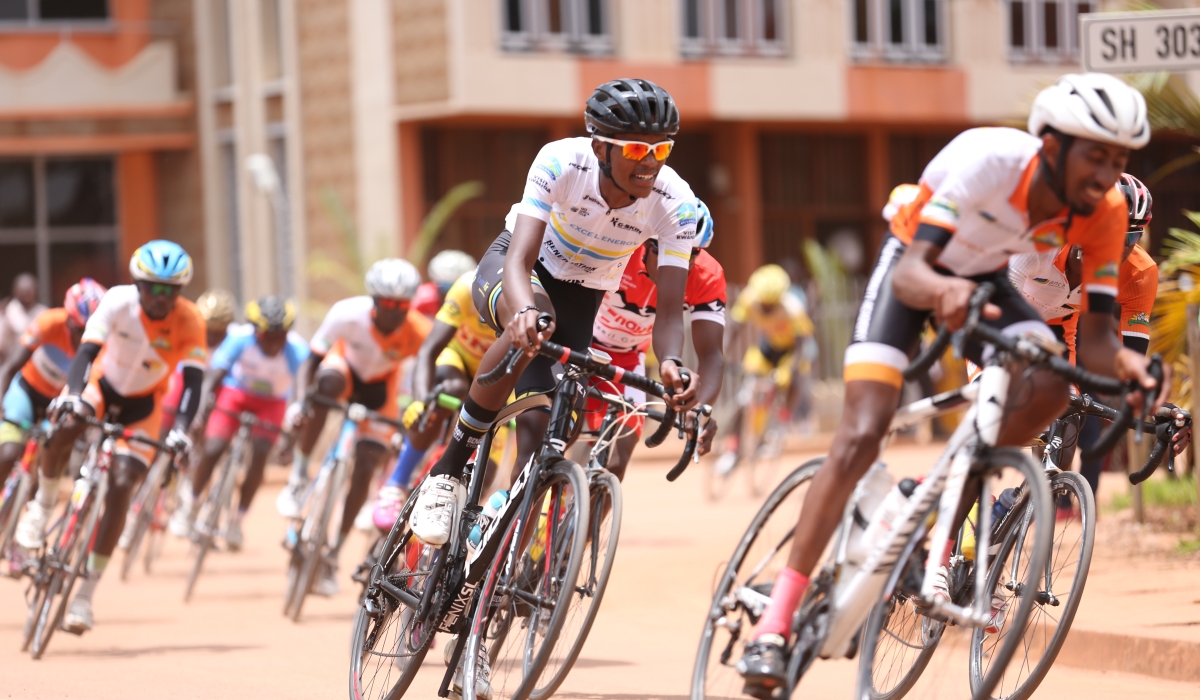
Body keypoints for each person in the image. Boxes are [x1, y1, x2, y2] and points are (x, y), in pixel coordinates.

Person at [737, 73, 1166, 694]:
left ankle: (930, 496)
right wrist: (945, 292)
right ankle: (774, 621)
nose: (1107, 172)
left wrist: (1133, 370)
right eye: (1095, 154)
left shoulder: (1106, 214)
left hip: (987, 278)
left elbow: (1099, 340)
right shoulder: (989, 160)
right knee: (860, 435)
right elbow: (916, 271)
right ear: (1050, 145)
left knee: (1048, 388)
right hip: (917, 263)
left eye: (1120, 159)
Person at [402, 78, 702, 699]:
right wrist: (522, 312)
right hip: (521, 269)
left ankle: (488, 581)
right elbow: (519, 259)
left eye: (662, 151)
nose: (650, 165)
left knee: (545, 440)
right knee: (526, 334)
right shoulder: (561, 161)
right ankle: (449, 473)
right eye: (637, 151)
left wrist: (672, 364)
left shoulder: (673, 202)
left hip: (582, 298)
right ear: (601, 146)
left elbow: (671, 316)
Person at [15, 241, 206, 633]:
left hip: (143, 407)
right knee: (68, 424)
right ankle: (43, 505)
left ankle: (85, 595)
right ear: (138, 284)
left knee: (122, 486)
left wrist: (182, 430)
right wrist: (71, 395)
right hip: (102, 386)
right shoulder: (117, 302)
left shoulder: (190, 321)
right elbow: (85, 354)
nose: (161, 297)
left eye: (170, 290)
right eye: (153, 287)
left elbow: (193, 384)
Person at [1009, 173, 1188, 496]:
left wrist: (1155, 403)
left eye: (1128, 238)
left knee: (1067, 428)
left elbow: (1131, 358)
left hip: (1060, 330)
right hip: (1004, 321)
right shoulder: (1040, 244)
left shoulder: (1139, 273)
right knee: (996, 412)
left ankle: (1013, 508)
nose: (1114, 247)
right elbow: (995, 304)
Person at [276, 258, 429, 596]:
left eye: (402, 305)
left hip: (381, 390)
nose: (394, 311)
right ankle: (300, 477)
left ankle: (332, 552)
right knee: (325, 386)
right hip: (343, 372)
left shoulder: (419, 331)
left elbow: (423, 379)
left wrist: (413, 413)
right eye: (387, 303)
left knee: (364, 467)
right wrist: (299, 403)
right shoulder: (347, 313)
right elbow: (310, 363)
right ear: (373, 300)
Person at [584, 198, 726, 480]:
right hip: (582, 342)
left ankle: (586, 517)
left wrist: (700, 408)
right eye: (664, 252)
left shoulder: (708, 277)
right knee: (562, 428)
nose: (676, 264)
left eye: (689, 255)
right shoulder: (620, 250)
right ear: (646, 243)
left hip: (628, 358)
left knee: (616, 460)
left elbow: (711, 355)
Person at [169, 296, 308, 549]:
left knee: (261, 454)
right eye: (267, 337)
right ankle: (191, 504)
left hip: (272, 402)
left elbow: (301, 390)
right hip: (236, 394)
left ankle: (237, 521)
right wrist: (201, 413)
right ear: (256, 332)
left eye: (280, 337)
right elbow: (214, 377)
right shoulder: (239, 340)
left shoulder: (297, 350)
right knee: (213, 447)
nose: (274, 343)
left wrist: (293, 428)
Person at [370, 264, 500, 530]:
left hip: (498, 376)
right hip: (458, 361)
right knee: (450, 390)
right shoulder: (466, 287)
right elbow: (429, 350)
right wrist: (420, 401)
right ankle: (396, 484)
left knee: (486, 470)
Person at [0, 279, 107, 487]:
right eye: (78, 330)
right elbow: (10, 367)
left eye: (90, 332)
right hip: (26, 392)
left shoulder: (102, 345)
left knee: (44, 471)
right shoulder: (48, 322)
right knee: (8, 454)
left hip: (59, 403)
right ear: (68, 319)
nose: (83, 338)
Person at [714, 263, 814, 474]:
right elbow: (734, 329)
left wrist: (787, 371)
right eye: (763, 305)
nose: (766, 309)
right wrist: (719, 357)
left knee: (794, 378)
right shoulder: (749, 299)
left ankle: (782, 423)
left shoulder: (793, 308)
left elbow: (801, 346)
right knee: (744, 399)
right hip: (766, 348)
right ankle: (733, 450)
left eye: (771, 305)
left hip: (791, 352)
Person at [160, 288, 237, 435]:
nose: (212, 337)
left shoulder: (235, 338)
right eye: (208, 330)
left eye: (219, 331)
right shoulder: (190, 328)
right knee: (167, 412)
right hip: (187, 377)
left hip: (217, 384)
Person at [412, 250, 478, 319]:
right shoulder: (421, 298)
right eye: (445, 287)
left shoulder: (476, 302)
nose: (451, 293)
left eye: (458, 288)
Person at [0, 273, 47, 365]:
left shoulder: (44, 313)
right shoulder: (7, 312)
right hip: (12, 365)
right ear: (14, 291)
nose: (26, 293)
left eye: (29, 290)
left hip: (38, 366)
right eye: (22, 290)